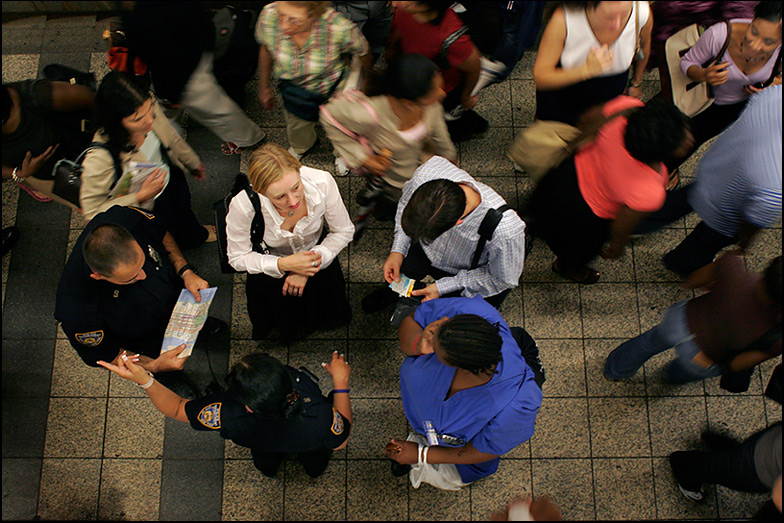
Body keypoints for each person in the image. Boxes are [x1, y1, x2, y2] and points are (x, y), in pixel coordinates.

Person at [98, 349, 352, 479]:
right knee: (316, 461)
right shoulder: (319, 417)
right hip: (310, 444)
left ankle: (269, 470)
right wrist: (340, 383)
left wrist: (144, 379)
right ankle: (313, 470)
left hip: (262, 444)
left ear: (249, 405)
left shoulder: (228, 414)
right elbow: (339, 441)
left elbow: (176, 407)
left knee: (266, 460)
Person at [524, 96, 692, 284]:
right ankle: (567, 268)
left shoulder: (628, 108)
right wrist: (617, 246)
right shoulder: (650, 187)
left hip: (563, 177)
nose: (689, 139)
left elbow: (587, 118)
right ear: (658, 153)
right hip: (586, 216)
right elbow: (621, 226)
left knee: (542, 214)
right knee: (574, 249)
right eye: (681, 140)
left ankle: (526, 229)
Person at [385, 296, 542, 486]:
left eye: (434, 343)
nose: (439, 323)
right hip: (428, 425)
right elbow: (411, 322)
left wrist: (421, 454)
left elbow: (482, 451)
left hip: (458, 454)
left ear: (458, 365)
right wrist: (419, 343)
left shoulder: (516, 406)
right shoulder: (468, 311)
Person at [54, 205, 226, 373]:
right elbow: (108, 354)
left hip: (174, 297)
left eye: (143, 264)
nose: (144, 276)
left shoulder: (126, 219)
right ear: (99, 276)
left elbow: (160, 231)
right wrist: (154, 366)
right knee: (160, 366)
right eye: (132, 277)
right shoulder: (77, 311)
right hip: (145, 337)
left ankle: (199, 328)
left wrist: (184, 270)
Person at [636, 84, 781, 277]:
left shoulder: (773, 96)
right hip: (725, 216)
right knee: (701, 245)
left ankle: (638, 222)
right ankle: (679, 264)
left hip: (711, 171)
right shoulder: (775, 187)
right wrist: (743, 245)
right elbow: (752, 222)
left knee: (675, 203)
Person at [361, 155, 527, 313]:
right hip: (423, 251)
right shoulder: (425, 174)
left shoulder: (506, 231)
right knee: (398, 277)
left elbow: (502, 279)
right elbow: (405, 204)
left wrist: (443, 287)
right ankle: (389, 294)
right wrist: (398, 249)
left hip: (461, 270)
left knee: (444, 308)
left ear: (457, 224)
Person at [226, 143, 354, 344]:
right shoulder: (244, 206)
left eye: (296, 187)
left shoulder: (321, 182)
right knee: (283, 316)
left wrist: (305, 267)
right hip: (272, 267)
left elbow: (344, 230)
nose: (293, 200)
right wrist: (283, 265)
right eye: (280, 197)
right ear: (261, 192)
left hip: (318, 259)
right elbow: (237, 258)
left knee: (324, 304)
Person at [80, 71, 214, 251]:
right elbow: (93, 212)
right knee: (160, 230)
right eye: (137, 120)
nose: (150, 121)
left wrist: (190, 161)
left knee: (182, 207)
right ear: (116, 121)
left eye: (151, 110)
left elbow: (168, 134)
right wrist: (139, 196)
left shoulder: (143, 102)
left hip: (167, 172)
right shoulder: (99, 159)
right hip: (143, 200)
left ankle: (191, 235)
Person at [604, 253, 781, 385]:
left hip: (680, 321)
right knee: (683, 371)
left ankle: (614, 370)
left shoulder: (733, 266)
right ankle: (666, 379)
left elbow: (692, 281)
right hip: (704, 357)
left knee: (647, 343)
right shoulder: (776, 337)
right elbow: (736, 364)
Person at [120, 1, 266, 155]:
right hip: (189, 60)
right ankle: (165, 135)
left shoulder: (145, 13)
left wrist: (172, 93)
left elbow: (163, 55)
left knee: (216, 110)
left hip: (183, 74)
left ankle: (249, 139)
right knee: (207, 107)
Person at [320, 54, 456, 215]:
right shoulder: (371, 114)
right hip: (392, 181)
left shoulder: (432, 106)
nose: (442, 94)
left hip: (421, 173)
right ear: (408, 102)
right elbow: (328, 115)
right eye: (433, 92)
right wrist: (363, 159)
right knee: (393, 206)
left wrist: (450, 160)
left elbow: (440, 136)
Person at [665, 1, 782, 183]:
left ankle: (669, 170)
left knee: (696, 141)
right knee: (675, 137)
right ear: (752, 20)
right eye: (754, 32)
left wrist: (768, 85)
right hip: (699, 103)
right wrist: (704, 74)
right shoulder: (720, 34)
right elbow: (687, 63)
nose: (755, 45)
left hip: (732, 109)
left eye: (768, 42)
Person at [255, 1, 371, 167]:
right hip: (294, 89)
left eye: (295, 20)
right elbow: (265, 48)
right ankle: (302, 146)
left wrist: (366, 81)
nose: (283, 25)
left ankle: (341, 153)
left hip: (332, 88)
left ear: (314, 14)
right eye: (281, 15)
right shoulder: (268, 14)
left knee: (341, 126)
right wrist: (264, 86)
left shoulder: (338, 27)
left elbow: (363, 52)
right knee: (296, 125)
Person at [533, 1, 653, 128]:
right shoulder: (564, 18)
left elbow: (644, 48)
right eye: (609, 17)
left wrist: (636, 82)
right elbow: (541, 77)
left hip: (609, 96)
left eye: (624, 15)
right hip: (564, 95)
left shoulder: (642, 14)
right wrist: (586, 70)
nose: (617, 25)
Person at [387, 1, 487, 142]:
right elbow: (399, 31)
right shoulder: (405, 10)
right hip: (418, 78)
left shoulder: (452, 37)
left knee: (451, 118)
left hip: (446, 89)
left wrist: (466, 98)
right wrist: (392, 51)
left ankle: (465, 130)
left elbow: (474, 68)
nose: (396, 3)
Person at [2, 78, 94, 205]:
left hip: (95, 151)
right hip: (60, 178)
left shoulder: (39, 95)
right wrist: (18, 173)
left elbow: (96, 99)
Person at [669, 424, 781, 506]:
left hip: (771, 441)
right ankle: (683, 466)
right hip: (763, 467)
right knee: (727, 470)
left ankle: (726, 449)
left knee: (738, 458)